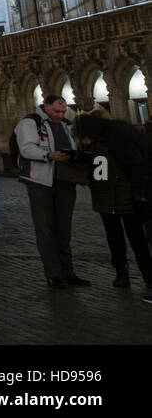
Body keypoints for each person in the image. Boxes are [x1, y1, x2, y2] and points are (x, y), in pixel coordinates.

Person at [15, 94, 90, 289]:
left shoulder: (67, 125)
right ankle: (53, 275)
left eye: (63, 111)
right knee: (46, 229)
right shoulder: (30, 123)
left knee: (64, 229)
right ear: (46, 106)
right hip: (40, 182)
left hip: (66, 181)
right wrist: (47, 155)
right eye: (56, 111)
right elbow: (26, 149)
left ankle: (68, 271)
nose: (60, 114)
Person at [75, 111, 152, 294]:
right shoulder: (99, 142)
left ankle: (148, 276)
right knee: (114, 238)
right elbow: (96, 168)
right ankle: (121, 272)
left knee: (137, 238)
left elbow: (135, 165)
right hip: (106, 197)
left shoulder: (116, 137)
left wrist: (138, 193)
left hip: (125, 196)